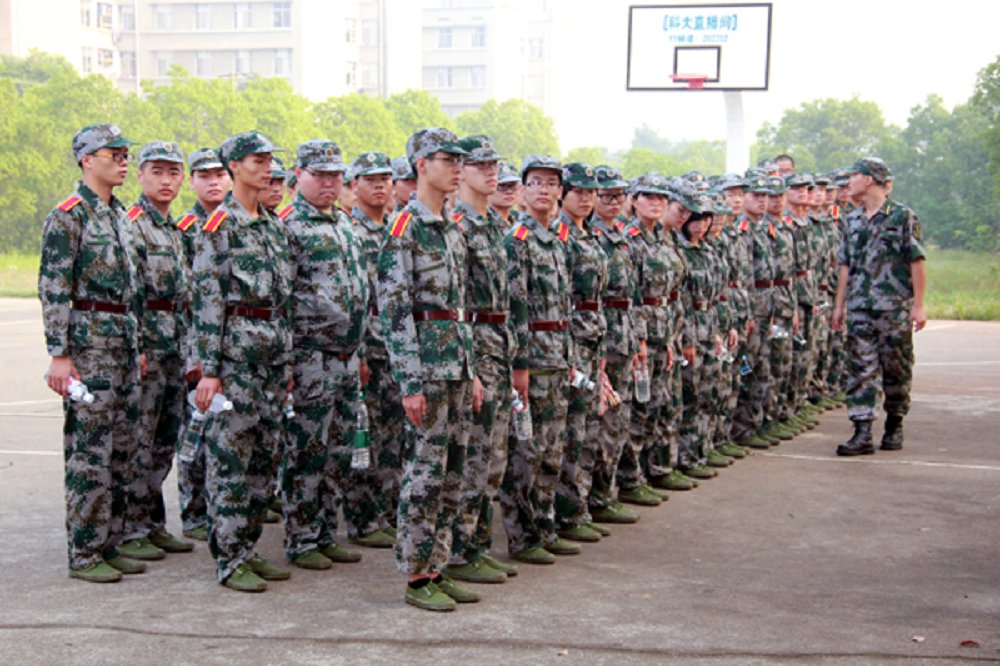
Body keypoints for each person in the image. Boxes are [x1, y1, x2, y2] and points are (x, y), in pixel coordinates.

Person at [377, 128, 481, 611]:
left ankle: (438, 564)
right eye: (447, 160)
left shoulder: (452, 228)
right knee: (424, 473)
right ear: (421, 164)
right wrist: (410, 381)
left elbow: (459, 309)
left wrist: (472, 371)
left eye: (461, 161)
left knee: (453, 472)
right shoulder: (405, 228)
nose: (457, 168)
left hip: (456, 365)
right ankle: (417, 575)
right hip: (428, 370)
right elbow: (395, 311)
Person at [40, 123, 145, 583]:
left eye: (125, 154)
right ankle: (84, 552)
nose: (122, 161)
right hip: (90, 348)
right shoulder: (69, 216)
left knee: (122, 450)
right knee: (90, 453)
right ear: (86, 159)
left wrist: (137, 345)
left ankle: (110, 542)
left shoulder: (120, 215)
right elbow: (54, 287)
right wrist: (60, 354)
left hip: (122, 344)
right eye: (113, 154)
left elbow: (132, 289)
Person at [190, 130, 294, 592]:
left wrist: (286, 364)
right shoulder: (219, 225)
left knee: (264, 462)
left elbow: (283, 301)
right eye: (257, 161)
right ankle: (230, 559)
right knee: (231, 462)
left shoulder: (273, 225)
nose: (267, 168)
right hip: (235, 363)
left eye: (270, 161)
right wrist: (209, 371)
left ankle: (248, 548)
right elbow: (207, 302)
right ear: (233, 166)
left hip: (271, 361)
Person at [280, 139, 369, 570]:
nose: (329, 183)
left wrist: (360, 352)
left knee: (338, 450)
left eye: (335, 175)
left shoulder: (344, 224)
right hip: (310, 357)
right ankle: (301, 538)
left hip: (346, 357)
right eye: (320, 175)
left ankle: (325, 532)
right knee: (307, 450)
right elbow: (281, 300)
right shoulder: (288, 227)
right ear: (299, 175)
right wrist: (288, 362)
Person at [445, 134, 519, 585]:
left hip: (499, 345)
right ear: (462, 172)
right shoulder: (457, 226)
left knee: (494, 456)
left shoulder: (493, 224)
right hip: (474, 346)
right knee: (472, 454)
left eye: (494, 166)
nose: (491, 173)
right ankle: (458, 548)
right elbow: (453, 303)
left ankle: (477, 543)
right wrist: (469, 366)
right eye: (481, 166)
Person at [499, 154, 576, 566]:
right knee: (525, 452)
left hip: (558, 356)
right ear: (523, 191)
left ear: (559, 191)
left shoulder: (557, 240)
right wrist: (520, 366)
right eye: (536, 182)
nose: (544, 190)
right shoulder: (517, 241)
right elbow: (515, 309)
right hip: (532, 360)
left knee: (552, 449)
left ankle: (545, 525)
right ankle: (523, 535)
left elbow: (566, 306)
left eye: (551, 183)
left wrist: (571, 356)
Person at [120, 141, 194, 562]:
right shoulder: (133, 224)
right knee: (140, 440)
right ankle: (131, 528)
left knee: (165, 440)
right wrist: (138, 346)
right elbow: (129, 291)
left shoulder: (174, 229)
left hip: (175, 346)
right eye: (157, 172)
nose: (166, 181)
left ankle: (153, 523)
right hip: (149, 343)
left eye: (173, 173)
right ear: (141, 175)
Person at [832, 158, 926, 455]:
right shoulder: (852, 220)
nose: (849, 182)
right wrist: (839, 305)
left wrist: (919, 305)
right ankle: (862, 431)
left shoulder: (902, 216)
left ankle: (895, 423)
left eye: (854, 175)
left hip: (894, 307)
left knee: (897, 368)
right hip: (860, 307)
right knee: (861, 369)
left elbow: (916, 261)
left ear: (869, 179)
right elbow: (845, 265)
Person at [349, 151, 404, 546]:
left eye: (384, 179)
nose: (379, 186)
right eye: (370, 180)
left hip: (396, 349)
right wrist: (359, 353)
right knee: (365, 436)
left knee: (393, 436)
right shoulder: (350, 231)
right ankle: (364, 519)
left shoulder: (396, 231)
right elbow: (350, 300)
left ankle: (389, 510)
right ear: (354, 186)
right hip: (368, 347)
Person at [175, 148, 230, 542]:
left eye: (219, 175)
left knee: (224, 434)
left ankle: (219, 509)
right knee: (194, 430)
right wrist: (194, 352)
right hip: (194, 344)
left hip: (229, 344)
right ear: (192, 182)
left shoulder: (235, 224)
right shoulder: (185, 228)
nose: (213, 182)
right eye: (204, 176)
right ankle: (194, 512)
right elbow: (185, 295)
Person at [553, 163, 609, 544]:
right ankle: (566, 511)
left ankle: (580, 505)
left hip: (592, 338)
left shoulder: (589, 236)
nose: (586, 198)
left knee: (587, 428)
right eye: (579, 191)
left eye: (592, 192)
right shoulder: (560, 236)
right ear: (564, 194)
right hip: (569, 340)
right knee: (570, 433)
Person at [586, 166, 641, 526]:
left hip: (624, 333)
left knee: (619, 419)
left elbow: (631, 294)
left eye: (619, 196)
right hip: (602, 336)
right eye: (605, 196)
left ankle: (606, 492)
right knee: (600, 422)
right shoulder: (590, 236)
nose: (613, 202)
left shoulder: (620, 235)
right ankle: (594, 497)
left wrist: (638, 338)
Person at [488, 161, 521, 228]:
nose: (509, 191)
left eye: (513, 185)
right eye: (502, 186)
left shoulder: (519, 223)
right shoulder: (482, 223)